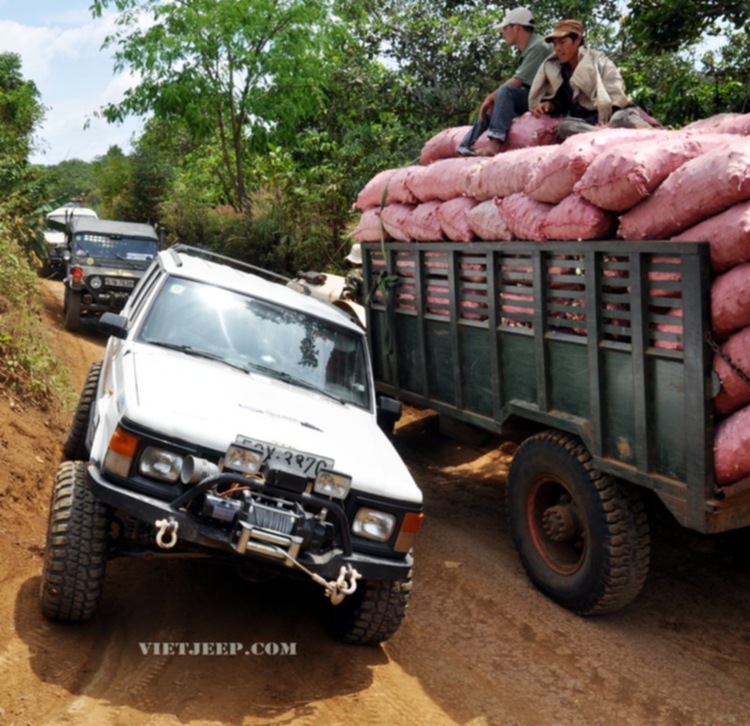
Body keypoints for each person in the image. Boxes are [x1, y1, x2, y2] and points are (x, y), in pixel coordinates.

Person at [528, 19, 652, 139]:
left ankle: (649, 137)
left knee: (622, 119)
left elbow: (617, 100)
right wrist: (551, 106)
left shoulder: (600, 62)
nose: (557, 48)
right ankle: (605, 137)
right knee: (565, 127)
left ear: (577, 40)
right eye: (555, 44)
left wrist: (602, 121)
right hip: (588, 123)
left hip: (614, 114)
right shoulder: (558, 71)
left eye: (562, 42)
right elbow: (565, 104)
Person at [456, 7, 549, 156]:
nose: (503, 33)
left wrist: (490, 97)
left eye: (505, 28)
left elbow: (517, 82)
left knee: (505, 93)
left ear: (516, 26)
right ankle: (465, 146)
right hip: (534, 97)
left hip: (547, 100)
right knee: (496, 106)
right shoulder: (531, 48)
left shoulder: (538, 47)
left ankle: (494, 145)